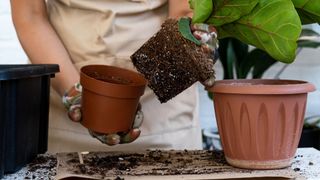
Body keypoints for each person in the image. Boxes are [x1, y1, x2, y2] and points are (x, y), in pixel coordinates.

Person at [11, 0, 216, 153]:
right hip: (63, 89)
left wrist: (190, 40)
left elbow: (185, 8)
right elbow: (30, 15)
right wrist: (76, 94)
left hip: (162, 113)